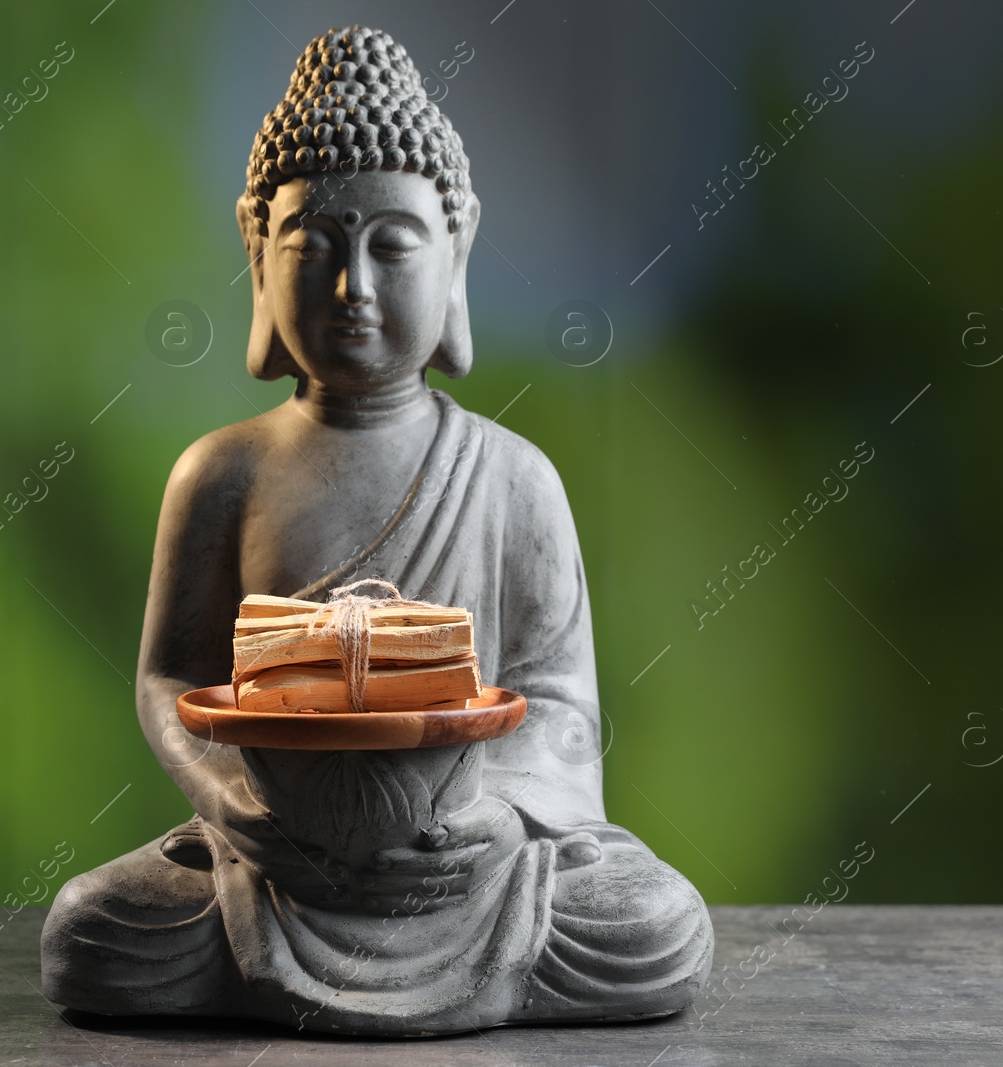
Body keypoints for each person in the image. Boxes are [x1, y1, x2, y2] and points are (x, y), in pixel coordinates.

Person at [41, 25, 712, 1036]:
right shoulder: (221, 472)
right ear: (254, 251)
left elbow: (562, 703)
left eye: (393, 246)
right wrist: (234, 803)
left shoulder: (513, 478)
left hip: (465, 866)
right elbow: (168, 680)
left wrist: (493, 817)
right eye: (312, 246)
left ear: (459, 246)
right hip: (273, 858)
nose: (353, 288)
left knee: (652, 925)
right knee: (93, 928)